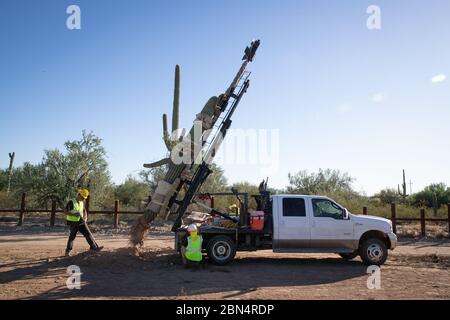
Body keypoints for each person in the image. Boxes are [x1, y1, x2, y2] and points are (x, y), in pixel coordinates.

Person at [65, 189, 103, 256]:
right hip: (73, 222)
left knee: (88, 234)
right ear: (79, 195)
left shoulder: (82, 203)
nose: (83, 199)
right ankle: (68, 251)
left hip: (81, 221)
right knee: (72, 237)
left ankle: (93, 247)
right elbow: (65, 212)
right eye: (82, 198)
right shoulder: (71, 202)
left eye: (84, 198)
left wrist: (85, 218)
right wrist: (73, 214)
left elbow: (84, 211)